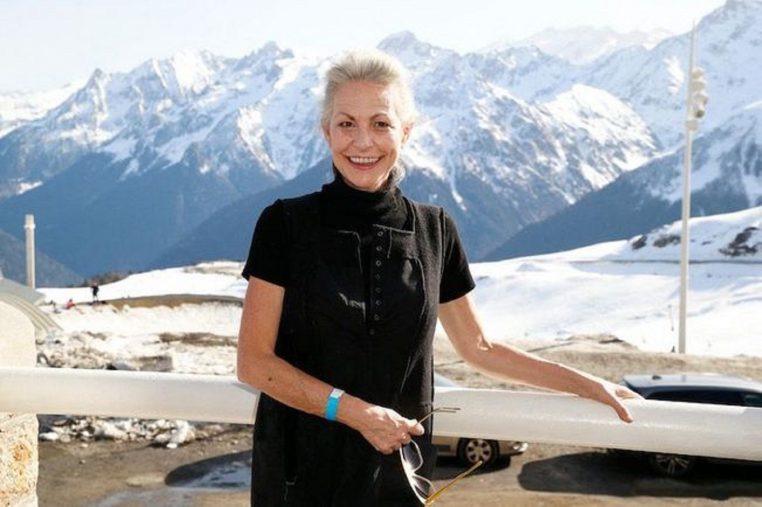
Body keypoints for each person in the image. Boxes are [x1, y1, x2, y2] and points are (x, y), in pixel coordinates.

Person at [236, 49, 641, 506]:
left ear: (406, 132)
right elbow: (254, 363)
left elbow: (479, 347)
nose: (363, 141)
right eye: (347, 123)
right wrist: (356, 413)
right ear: (326, 131)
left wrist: (587, 384)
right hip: (298, 481)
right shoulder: (284, 224)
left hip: (397, 477)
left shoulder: (436, 230)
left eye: (381, 123)